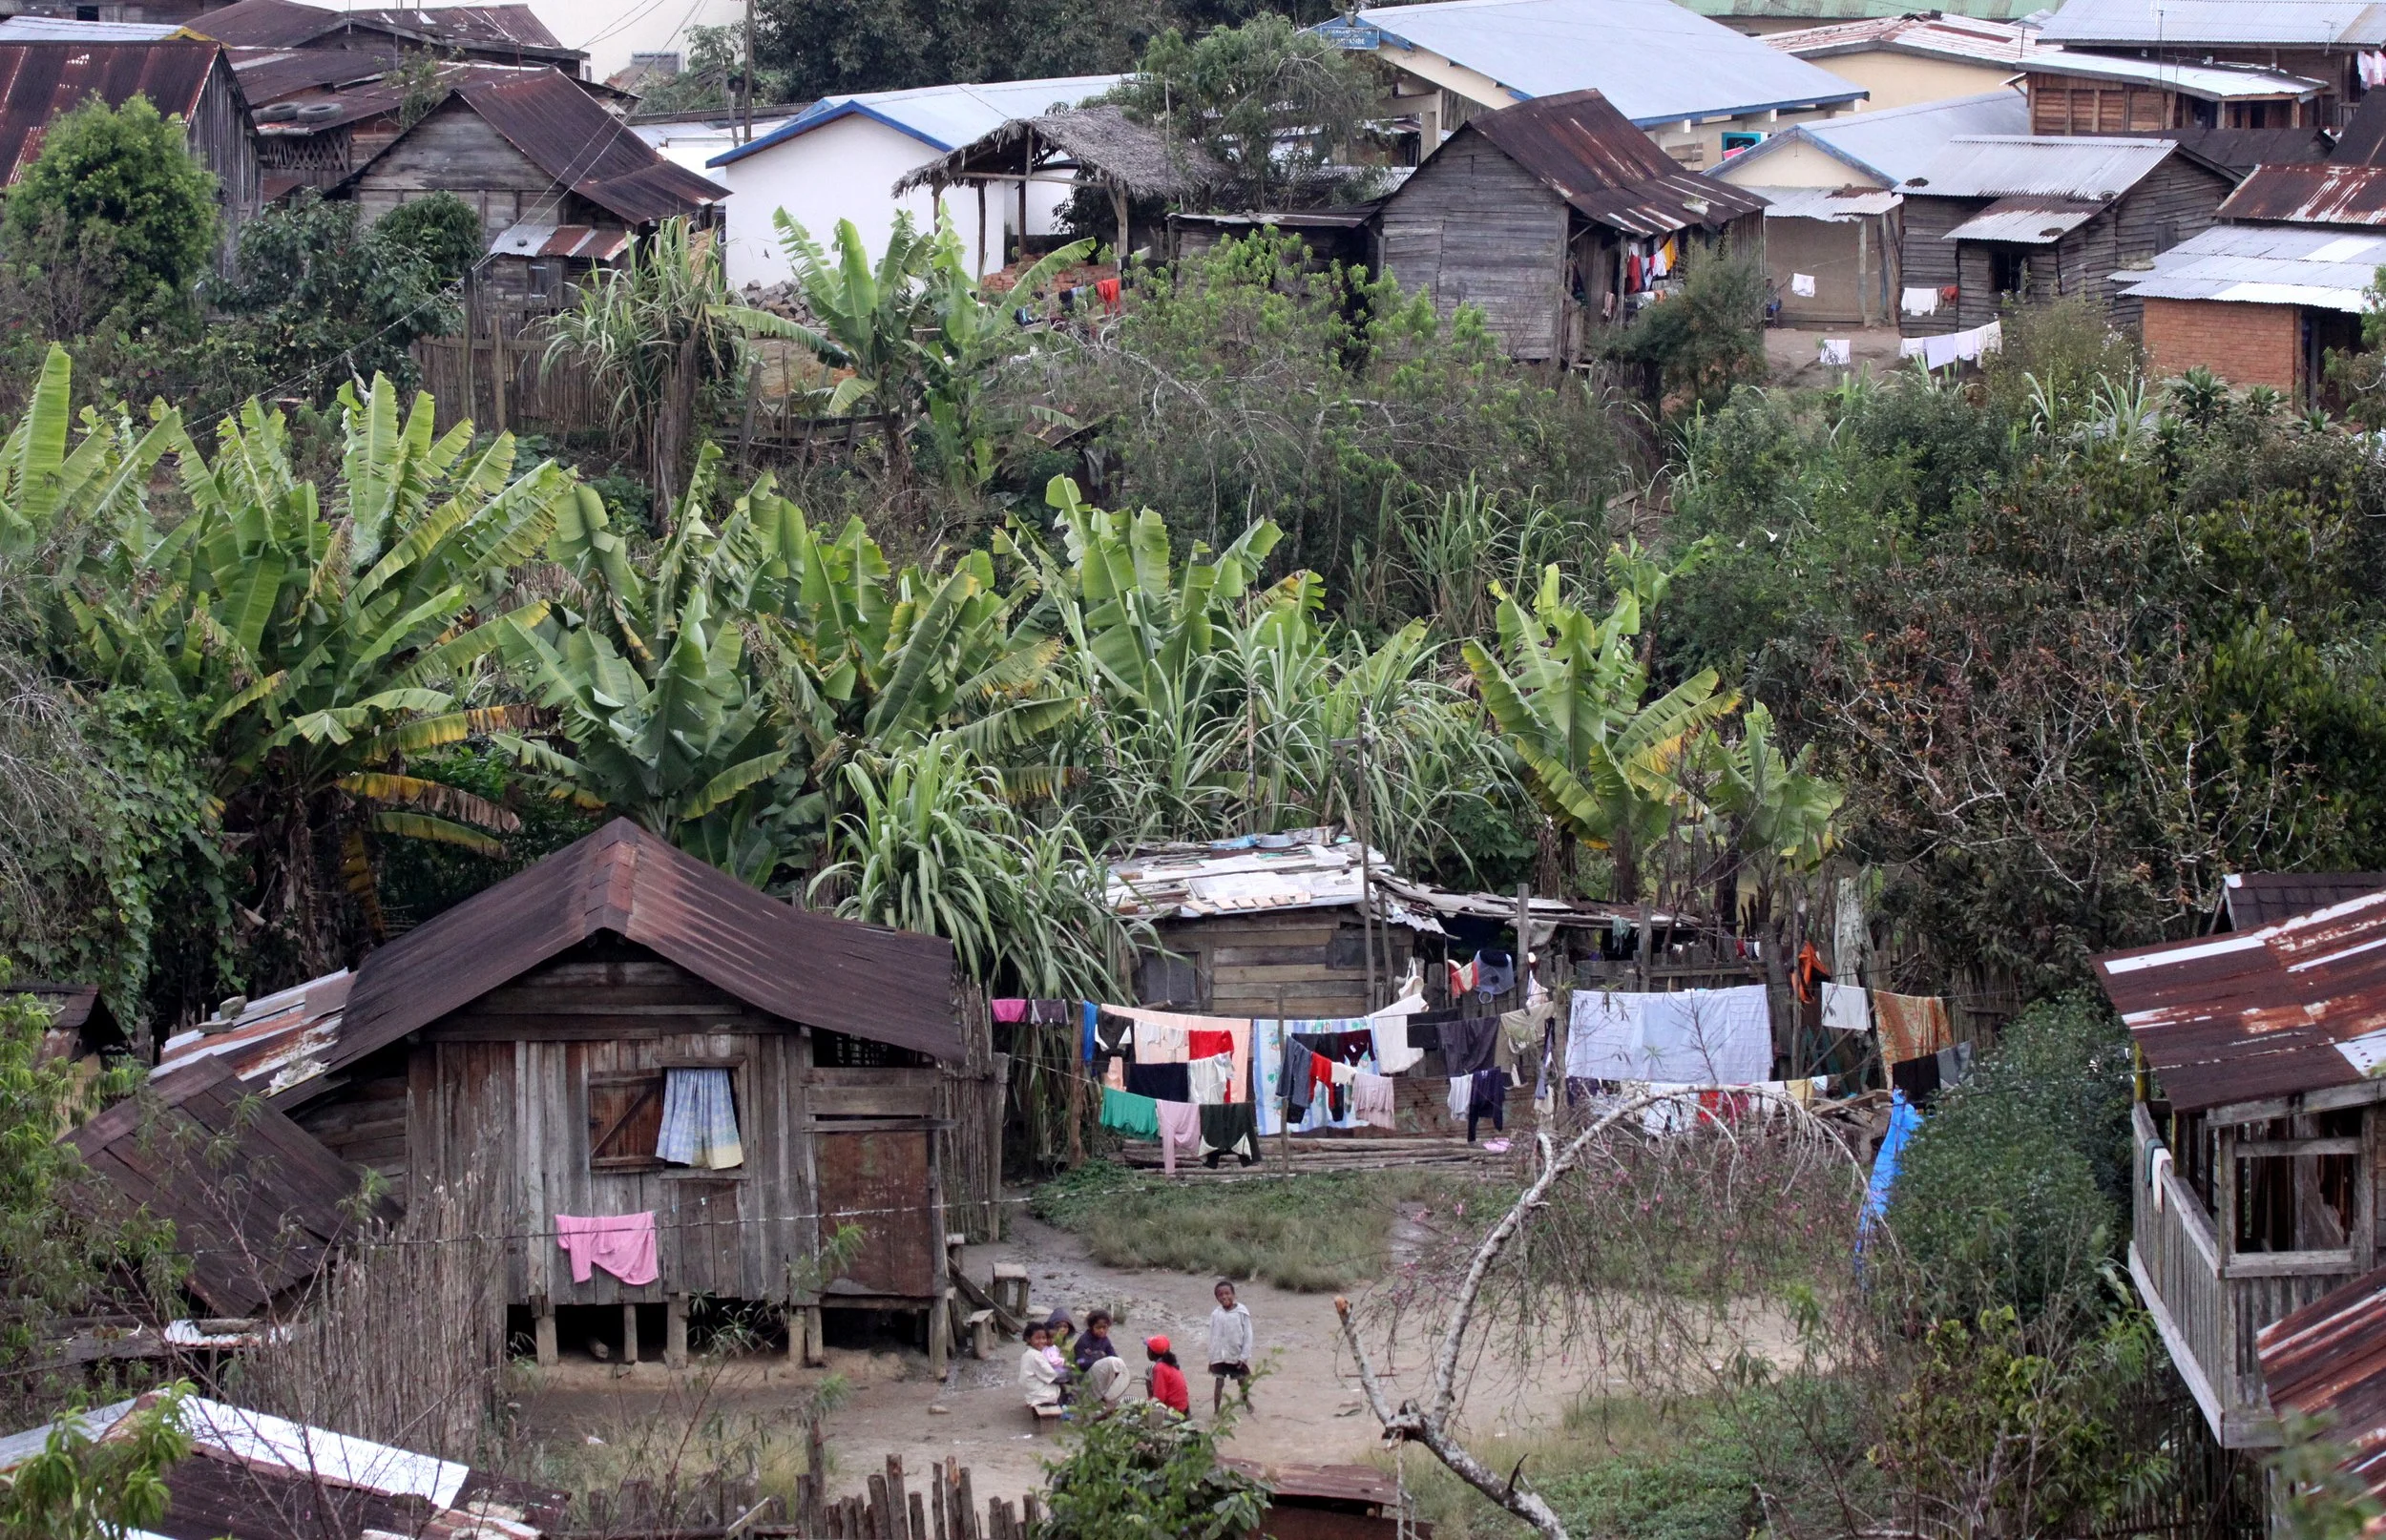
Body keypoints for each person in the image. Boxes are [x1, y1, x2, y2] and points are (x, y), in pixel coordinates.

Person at [1207, 1280, 1254, 1415]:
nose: (1224, 1297)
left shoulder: (1242, 1313)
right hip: (1219, 1355)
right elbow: (1213, 1336)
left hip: (1236, 1355)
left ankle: (1246, 1402)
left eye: (1227, 1293)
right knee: (1219, 1383)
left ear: (1234, 1295)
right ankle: (1216, 1411)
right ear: (1217, 1298)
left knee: (1242, 1381)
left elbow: (1248, 1336)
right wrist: (1212, 1357)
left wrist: (1244, 1356)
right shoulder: (1216, 1314)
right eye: (1220, 1295)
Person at [1020, 1322, 1066, 1411]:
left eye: (1044, 1338)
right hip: (1039, 1394)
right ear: (1028, 1339)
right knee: (1062, 1385)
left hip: (1030, 1390)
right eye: (1038, 1338)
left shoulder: (1027, 1353)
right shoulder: (1036, 1356)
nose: (1042, 1341)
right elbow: (1052, 1375)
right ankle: (1062, 1408)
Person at [1144, 1334, 1189, 1416]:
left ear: (1151, 1352)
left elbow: (1159, 1399)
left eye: (1148, 1349)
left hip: (1174, 1412)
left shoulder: (1159, 1368)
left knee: (1128, 1401)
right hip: (1182, 1408)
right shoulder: (1172, 1365)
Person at [1074, 1308, 1119, 1373]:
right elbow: (1080, 1362)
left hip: (1101, 1369)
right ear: (1091, 1327)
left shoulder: (1105, 1341)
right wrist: (1100, 1361)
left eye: (1104, 1327)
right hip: (1086, 1374)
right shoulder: (1083, 1341)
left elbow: (1113, 1356)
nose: (1101, 1330)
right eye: (1098, 1327)